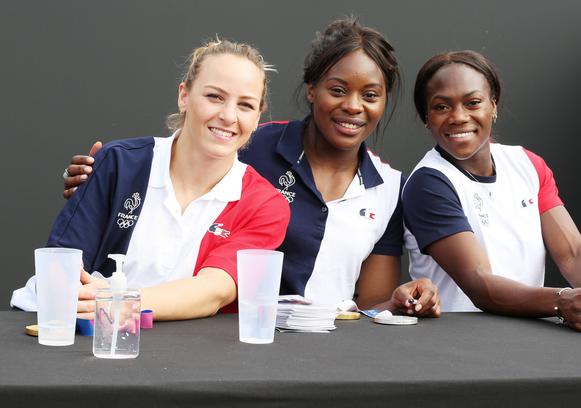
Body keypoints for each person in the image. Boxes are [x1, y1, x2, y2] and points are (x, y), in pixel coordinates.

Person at [60, 18, 441, 316]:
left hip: (306, 345)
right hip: (225, 337)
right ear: (312, 89)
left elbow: (370, 303)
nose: (353, 106)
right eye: (337, 90)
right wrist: (109, 171)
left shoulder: (387, 186)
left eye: (370, 95)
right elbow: (188, 149)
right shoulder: (251, 145)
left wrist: (399, 302)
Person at [11, 39, 290, 320]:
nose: (229, 116)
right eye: (214, 96)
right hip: (62, 326)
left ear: (257, 117)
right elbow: (63, 268)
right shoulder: (120, 163)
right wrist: (95, 307)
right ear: (184, 96)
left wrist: (119, 301)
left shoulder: (265, 205)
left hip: (174, 349)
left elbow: (214, 292)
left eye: (245, 105)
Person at [402, 50, 581, 331]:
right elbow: (481, 283)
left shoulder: (528, 164)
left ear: (493, 106)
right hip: (458, 346)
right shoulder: (428, 183)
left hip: (527, 340)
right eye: (441, 107)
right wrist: (562, 300)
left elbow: (573, 252)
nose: (458, 117)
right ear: (426, 117)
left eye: (473, 102)